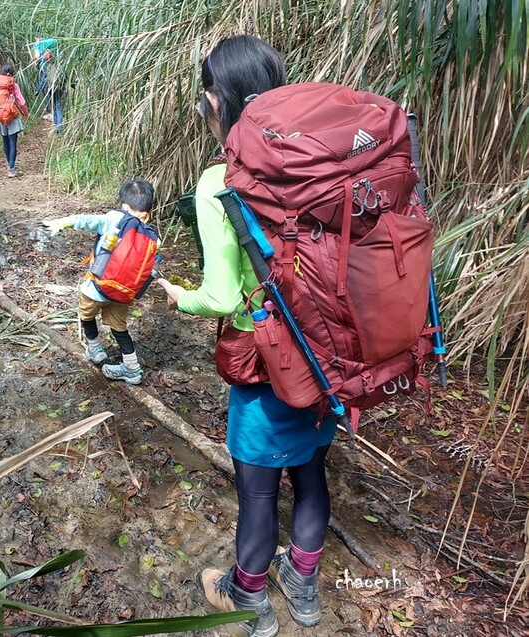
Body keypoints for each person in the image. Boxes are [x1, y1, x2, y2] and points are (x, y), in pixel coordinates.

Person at [158, 35, 335, 637]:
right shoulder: (324, 163)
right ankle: (304, 588)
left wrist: (181, 298)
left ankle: (249, 598)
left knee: (259, 496)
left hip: (267, 365)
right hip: (328, 357)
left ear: (217, 100)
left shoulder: (221, 182)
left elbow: (224, 296)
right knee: (311, 477)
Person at [42, 179, 156, 385]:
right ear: (148, 207)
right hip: (124, 293)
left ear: (125, 205)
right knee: (119, 327)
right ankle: (132, 368)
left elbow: (88, 220)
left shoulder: (115, 218)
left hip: (97, 287)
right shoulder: (152, 236)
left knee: (86, 315)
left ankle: (95, 350)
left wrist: (63, 222)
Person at [0, 63, 29, 177]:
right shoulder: (14, 85)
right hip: (11, 116)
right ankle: (12, 169)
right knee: (13, 141)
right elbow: (22, 102)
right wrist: (25, 114)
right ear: (12, 73)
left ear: (2, 72)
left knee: (5, 140)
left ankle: (9, 165)